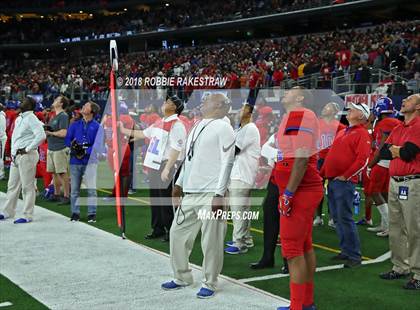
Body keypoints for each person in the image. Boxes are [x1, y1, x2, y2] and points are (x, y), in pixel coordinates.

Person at [160, 93, 234, 299]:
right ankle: (182, 276)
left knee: (211, 241)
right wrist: (179, 182)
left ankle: (210, 282)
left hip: (212, 193)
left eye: (208, 100)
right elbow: (190, 157)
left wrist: (220, 194)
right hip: (191, 192)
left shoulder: (224, 127)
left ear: (219, 106)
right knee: (177, 234)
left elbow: (228, 162)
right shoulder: (198, 125)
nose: (203, 102)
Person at [274, 87, 323, 310]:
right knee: (303, 246)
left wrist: (289, 193)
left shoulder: (301, 115)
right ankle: (305, 303)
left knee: (292, 250)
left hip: (300, 190)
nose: (285, 93)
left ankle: (298, 306)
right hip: (298, 187)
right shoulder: (292, 116)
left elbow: (301, 157)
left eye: (291, 91)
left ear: (300, 97)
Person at [120, 95, 186, 242]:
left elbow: (176, 148)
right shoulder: (159, 122)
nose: (163, 104)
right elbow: (142, 134)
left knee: (166, 199)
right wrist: (123, 129)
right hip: (155, 164)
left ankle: (171, 230)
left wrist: (167, 168)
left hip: (165, 164)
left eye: (167, 102)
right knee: (155, 198)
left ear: (174, 107)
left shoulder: (177, 124)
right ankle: (158, 228)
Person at [321, 102, 371, 268]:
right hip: (334, 180)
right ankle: (346, 250)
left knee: (345, 217)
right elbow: (331, 155)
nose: (349, 111)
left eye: (353, 110)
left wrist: (346, 176)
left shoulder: (362, 133)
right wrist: (322, 173)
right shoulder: (343, 131)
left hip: (344, 182)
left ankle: (354, 255)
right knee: (337, 217)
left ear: (361, 116)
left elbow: (362, 159)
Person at [379, 93, 420, 290]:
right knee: (396, 227)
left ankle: (419, 273)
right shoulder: (399, 126)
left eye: (410, 99)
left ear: (418, 106)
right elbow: (385, 152)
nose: (404, 101)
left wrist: (398, 150)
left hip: (412, 182)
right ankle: (400, 266)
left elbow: (407, 153)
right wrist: (398, 150)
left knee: (414, 229)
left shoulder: (418, 125)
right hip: (395, 181)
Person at [0, 97, 46, 223]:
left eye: (24, 101)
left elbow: (41, 135)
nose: (21, 102)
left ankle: (27, 215)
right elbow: (17, 137)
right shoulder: (20, 118)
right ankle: (8, 211)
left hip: (27, 155)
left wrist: (28, 148)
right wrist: (13, 152)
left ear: (30, 105)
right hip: (17, 155)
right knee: (12, 186)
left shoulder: (31, 118)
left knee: (27, 186)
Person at [249, 133, 288, 273]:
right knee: (270, 218)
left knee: (288, 223)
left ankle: (289, 261)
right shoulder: (279, 133)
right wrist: (277, 153)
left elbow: (288, 155)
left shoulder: (302, 134)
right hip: (275, 181)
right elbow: (265, 149)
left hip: (290, 183)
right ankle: (267, 258)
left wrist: (276, 153)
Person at [224, 103, 261, 254]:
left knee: (238, 209)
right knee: (243, 209)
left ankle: (239, 243)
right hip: (241, 173)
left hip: (242, 174)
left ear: (251, 113)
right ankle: (246, 238)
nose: (239, 110)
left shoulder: (250, 128)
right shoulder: (242, 128)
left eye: (243, 108)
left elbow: (235, 150)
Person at [366, 97, 401, 237]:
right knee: (385, 193)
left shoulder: (387, 122)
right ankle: (385, 224)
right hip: (389, 161)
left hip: (382, 162)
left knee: (375, 192)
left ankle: (388, 225)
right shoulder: (392, 121)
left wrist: (371, 164)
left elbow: (383, 146)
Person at [65, 101, 104, 223]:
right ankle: (75, 213)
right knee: (75, 189)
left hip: (90, 162)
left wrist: (83, 151)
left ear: (92, 111)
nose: (83, 107)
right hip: (75, 161)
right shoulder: (74, 125)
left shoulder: (98, 127)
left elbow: (98, 145)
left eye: (86, 106)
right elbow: (67, 140)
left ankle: (92, 213)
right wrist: (74, 147)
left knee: (91, 189)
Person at [313, 102, 345, 227]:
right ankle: (318, 217)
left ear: (334, 112)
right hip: (319, 159)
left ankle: (333, 217)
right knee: (317, 189)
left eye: (328, 107)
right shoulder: (316, 123)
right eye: (325, 106)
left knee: (333, 190)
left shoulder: (340, 126)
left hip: (332, 160)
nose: (324, 109)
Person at [45, 95, 70, 204]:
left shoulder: (63, 116)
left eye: (57, 100)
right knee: (54, 172)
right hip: (51, 147)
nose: (54, 100)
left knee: (62, 172)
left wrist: (50, 133)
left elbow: (64, 133)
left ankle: (66, 196)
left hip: (59, 148)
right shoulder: (54, 115)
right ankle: (56, 193)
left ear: (61, 104)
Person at [0, 103, 6, 180]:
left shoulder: (1, 117)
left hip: (1, 139)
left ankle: (1, 174)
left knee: (0, 157)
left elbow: (1, 131)